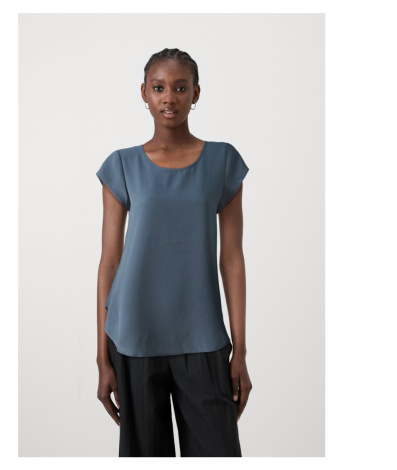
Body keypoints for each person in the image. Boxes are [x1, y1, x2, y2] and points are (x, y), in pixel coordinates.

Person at [96, 48, 253, 457]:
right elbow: (110, 262)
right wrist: (101, 358)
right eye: (159, 88)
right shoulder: (122, 165)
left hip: (202, 334)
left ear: (196, 93)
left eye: (180, 88)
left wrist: (240, 350)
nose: (169, 98)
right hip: (133, 335)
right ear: (144, 93)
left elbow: (232, 258)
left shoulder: (222, 161)